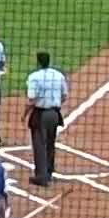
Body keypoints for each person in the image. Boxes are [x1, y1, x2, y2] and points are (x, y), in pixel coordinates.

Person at [25, 51, 71, 187]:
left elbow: (32, 99)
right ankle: (49, 172)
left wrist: (24, 114)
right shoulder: (58, 75)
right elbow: (64, 95)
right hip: (55, 114)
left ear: (38, 62)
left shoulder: (34, 77)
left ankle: (41, 176)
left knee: (39, 144)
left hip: (40, 114)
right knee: (50, 143)